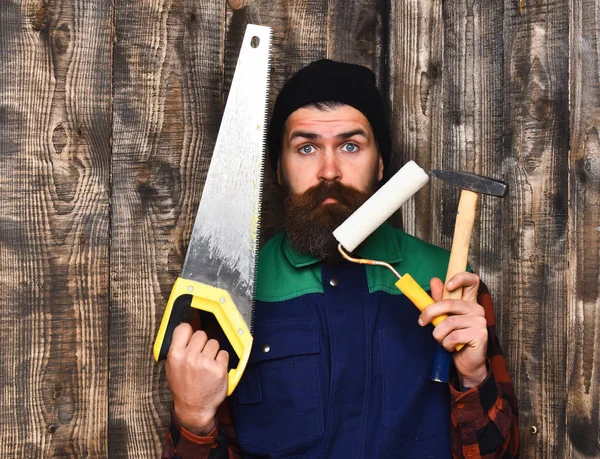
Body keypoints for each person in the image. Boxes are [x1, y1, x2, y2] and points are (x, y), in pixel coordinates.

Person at [162, 59, 519, 459]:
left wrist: (474, 378)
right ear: (279, 168)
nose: (328, 170)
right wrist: (193, 418)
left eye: (351, 146)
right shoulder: (231, 293)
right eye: (307, 147)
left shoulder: (449, 283)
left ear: (381, 163)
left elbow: (497, 454)